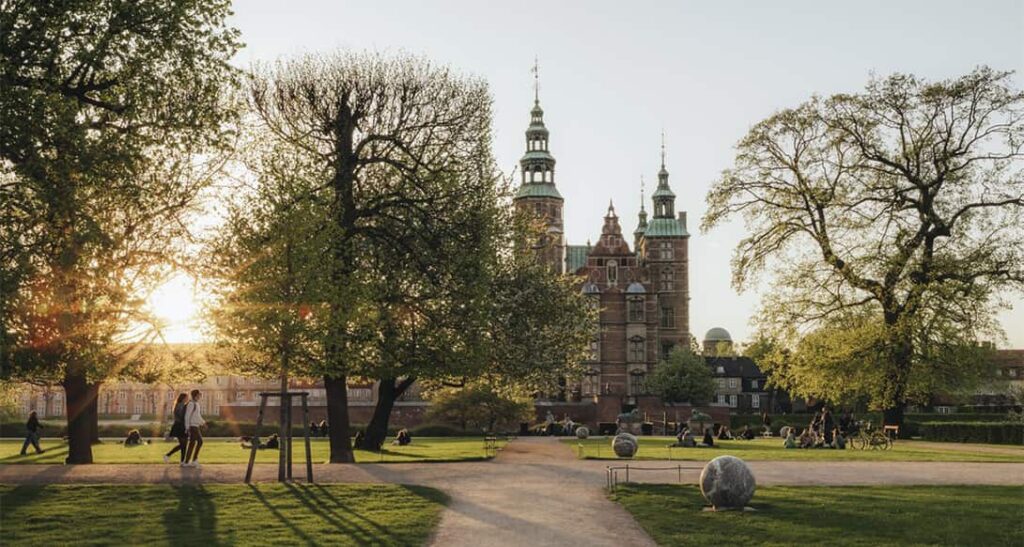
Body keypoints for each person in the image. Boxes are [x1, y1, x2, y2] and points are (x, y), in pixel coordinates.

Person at [183, 389, 205, 468]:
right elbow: (187, 416)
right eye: (199, 394)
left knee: (192, 444)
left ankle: (187, 462)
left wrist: (203, 423)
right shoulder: (191, 404)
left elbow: (198, 416)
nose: (200, 396)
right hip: (193, 426)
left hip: (196, 426)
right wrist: (187, 427)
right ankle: (194, 460)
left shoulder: (196, 404)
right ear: (196, 395)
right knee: (200, 441)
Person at [164, 393, 188, 464]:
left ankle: (181, 460)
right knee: (183, 444)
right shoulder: (180, 405)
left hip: (181, 425)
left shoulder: (181, 405)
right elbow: (181, 416)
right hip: (179, 426)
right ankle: (168, 455)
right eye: (186, 398)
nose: (187, 399)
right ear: (183, 398)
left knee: (184, 445)